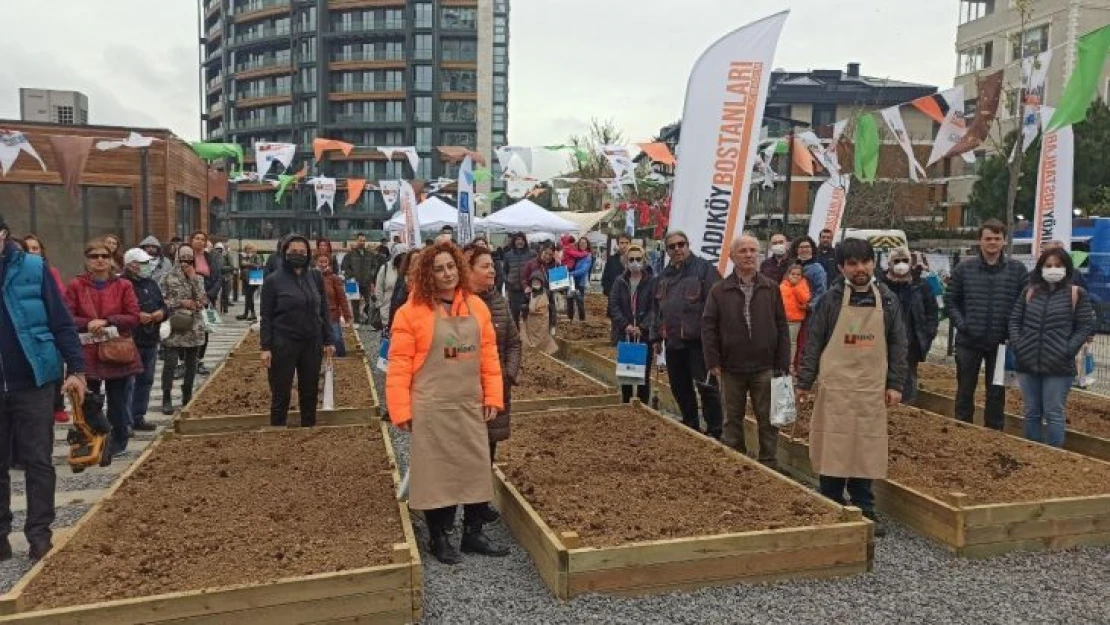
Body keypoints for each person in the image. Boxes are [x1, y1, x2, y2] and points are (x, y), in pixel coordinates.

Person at [386, 242, 507, 565]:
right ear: (428, 274)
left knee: (473, 468)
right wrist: (401, 409)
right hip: (431, 405)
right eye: (438, 269)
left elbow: (489, 359)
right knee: (437, 473)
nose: (447, 274)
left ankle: (473, 532)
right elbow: (398, 364)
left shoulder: (476, 308)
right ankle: (439, 536)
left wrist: (493, 396)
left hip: (469, 403)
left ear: (459, 268)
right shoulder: (410, 312)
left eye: (451, 267)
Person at [797, 239, 908, 538]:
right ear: (842, 267)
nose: (860, 269)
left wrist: (896, 384)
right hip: (836, 387)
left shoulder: (886, 299)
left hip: (871, 388)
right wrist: (805, 382)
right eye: (852, 263)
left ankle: (865, 507)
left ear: (874, 263)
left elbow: (899, 343)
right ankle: (831, 502)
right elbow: (814, 342)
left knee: (865, 445)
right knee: (833, 442)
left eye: (865, 262)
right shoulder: (831, 300)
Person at [0, 219, 87, 562]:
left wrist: (77, 370)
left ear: (4, 235)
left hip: (32, 380)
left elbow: (61, 321)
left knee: (37, 460)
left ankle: (39, 535)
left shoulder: (34, 268)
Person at [703, 235, 790, 465]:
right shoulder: (719, 290)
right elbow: (709, 326)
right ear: (732, 256)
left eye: (753, 250)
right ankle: (735, 459)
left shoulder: (770, 287)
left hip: (765, 365)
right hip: (731, 367)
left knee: (769, 419)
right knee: (732, 418)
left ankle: (769, 461)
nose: (749, 255)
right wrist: (713, 361)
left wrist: (782, 363)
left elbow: (781, 325)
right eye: (743, 251)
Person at [944, 220, 1028, 430]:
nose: (992, 243)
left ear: (1004, 241)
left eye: (997, 238)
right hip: (968, 342)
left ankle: (994, 432)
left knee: (996, 391)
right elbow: (950, 301)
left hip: (1000, 344)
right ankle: (962, 428)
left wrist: (1013, 330)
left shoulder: (1017, 270)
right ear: (980, 241)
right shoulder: (964, 269)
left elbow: (1024, 302)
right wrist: (962, 325)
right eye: (988, 238)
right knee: (965, 389)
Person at [64, 238, 144, 457]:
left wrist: (108, 320)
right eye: (94, 256)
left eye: (105, 256)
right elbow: (66, 317)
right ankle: (93, 439)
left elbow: (133, 316)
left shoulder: (123, 285)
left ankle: (118, 442)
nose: (99, 260)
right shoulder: (76, 286)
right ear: (86, 260)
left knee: (118, 402)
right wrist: (86, 323)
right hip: (87, 352)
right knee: (88, 401)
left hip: (117, 350)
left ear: (112, 260)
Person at [1009, 249, 1096, 447]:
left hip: (1059, 366)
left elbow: (1085, 326)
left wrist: (1067, 350)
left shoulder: (1076, 294)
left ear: (1067, 268)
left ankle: (1053, 455)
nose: (1053, 269)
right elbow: (1015, 319)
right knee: (1031, 411)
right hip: (1028, 361)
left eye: (1058, 265)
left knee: (1053, 412)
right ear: (1040, 268)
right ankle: (1031, 450)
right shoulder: (1029, 292)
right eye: (1048, 265)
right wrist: (1018, 344)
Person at [651, 230, 723, 439]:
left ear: (688, 245)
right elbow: (657, 309)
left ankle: (715, 430)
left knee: (706, 386)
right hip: (673, 341)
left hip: (698, 342)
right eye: (672, 246)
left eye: (681, 244)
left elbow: (717, 302)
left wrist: (715, 337)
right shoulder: (663, 276)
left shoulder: (704, 269)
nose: (677, 249)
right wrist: (656, 337)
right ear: (667, 251)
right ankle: (690, 423)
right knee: (679, 386)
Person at [260, 235, 335, 427]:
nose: (298, 255)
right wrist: (266, 346)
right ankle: (278, 430)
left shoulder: (315, 276)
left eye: (302, 252)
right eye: (293, 252)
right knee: (281, 392)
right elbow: (266, 316)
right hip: (284, 341)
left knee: (309, 390)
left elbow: (324, 309)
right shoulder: (273, 281)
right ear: (284, 253)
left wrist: (328, 340)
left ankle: (308, 430)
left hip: (312, 340)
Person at [466, 243, 521, 473]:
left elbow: (514, 342)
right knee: (465, 450)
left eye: (492, 266)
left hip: (496, 388)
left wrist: (508, 374)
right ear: (469, 270)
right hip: (466, 390)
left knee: (489, 446)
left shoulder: (498, 300)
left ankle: (479, 505)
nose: (492, 271)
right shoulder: (459, 303)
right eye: (485, 266)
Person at [20, 235, 70, 423]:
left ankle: (58, 404)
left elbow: (59, 297)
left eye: (35, 248)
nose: (32, 252)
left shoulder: (49, 271)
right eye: (28, 249)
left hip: (48, 327)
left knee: (55, 366)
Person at [878, 247, 939, 403]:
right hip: (881, 340)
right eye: (896, 261)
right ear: (889, 263)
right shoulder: (879, 285)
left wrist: (927, 335)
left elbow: (932, 312)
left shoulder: (921, 286)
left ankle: (906, 407)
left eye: (904, 261)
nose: (901, 264)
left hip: (911, 342)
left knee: (907, 379)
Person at [160, 246, 208, 415]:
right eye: (183, 257)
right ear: (176, 258)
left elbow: (203, 300)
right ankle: (166, 397)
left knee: (191, 363)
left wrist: (193, 278)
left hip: (194, 326)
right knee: (170, 363)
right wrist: (180, 302)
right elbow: (161, 300)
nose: (186, 261)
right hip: (175, 325)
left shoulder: (198, 278)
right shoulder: (167, 277)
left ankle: (187, 394)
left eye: (189, 257)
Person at [122, 248, 166, 432]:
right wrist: (136, 316)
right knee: (128, 383)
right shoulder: (122, 284)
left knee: (146, 380)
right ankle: (125, 420)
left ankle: (138, 416)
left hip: (151, 338)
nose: (147, 266)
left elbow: (164, 306)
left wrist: (161, 313)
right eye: (143, 263)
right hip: (131, 339)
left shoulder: (151, 284)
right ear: (131, 265)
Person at [609, 244, 655, 403]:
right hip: (625, 333)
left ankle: (643, 406)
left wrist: (642, 327)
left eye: (638, 259)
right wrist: (625, 325)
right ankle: (626, 403)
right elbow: (613, 306)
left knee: (644, 373)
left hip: (644, 335)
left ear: (644, 260)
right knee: (626, 372)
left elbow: (655, 307)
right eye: (631, 259)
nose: (635, 262)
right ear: (626, 261)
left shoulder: (651, 281)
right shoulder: (619, 281)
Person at [190, 231, 216, 376]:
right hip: (190, 299)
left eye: (202, 239)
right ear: (191, 240)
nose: (199, 241)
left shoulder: (210, 258)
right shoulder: (185, 256)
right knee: (186, 328)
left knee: (206, 330)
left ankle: (200, 360)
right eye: (197, 238)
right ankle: (184, 363)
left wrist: (209, 295)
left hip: (207, 298)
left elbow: (217, 278)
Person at [316, 251, 352, 358]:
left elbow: (342, 298)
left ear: (329, 263)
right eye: (320, 262)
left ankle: (341, 358)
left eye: (325, 262)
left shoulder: (334, 278)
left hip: (332, 314)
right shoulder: (312, 277)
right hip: (316, 315)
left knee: (336, 338)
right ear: (316, 263)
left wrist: (347, 315)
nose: (323, 264)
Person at [341, 233, 381, 324]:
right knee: (354, 303)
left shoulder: (370, 255)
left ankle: (368, 320)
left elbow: (375, 266)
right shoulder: (349, 255)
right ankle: (356, 322)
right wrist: (351, 277)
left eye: (363, 240)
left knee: (369, 302)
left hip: (366, 282)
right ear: (356, 241)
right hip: (352, 282)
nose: (362, 242)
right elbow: (344, 267)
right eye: (360, 240)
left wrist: (370, 276)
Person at [520, 242, 560, 329]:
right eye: (546, 253)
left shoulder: (556, 265)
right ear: (541, 251)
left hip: (549, 296)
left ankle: (550, 329)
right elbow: (523, 277)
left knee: (549, 316)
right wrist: (526, 287)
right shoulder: (531, 264)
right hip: (534, 296)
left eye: (551, 254)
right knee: (534, 317)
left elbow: (560, 281)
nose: (548, 256)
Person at [780, 262, 811, 365]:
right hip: (782, 319)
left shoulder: (803, 285)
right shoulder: (783, 285)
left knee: (792, 342)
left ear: (801, 276)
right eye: (793, 274)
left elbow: (805, 299)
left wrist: (796, 287)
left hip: (795, 320)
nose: (795, 276)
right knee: (781, 342)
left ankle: (790, 363)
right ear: (788, 274)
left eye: (798, 274)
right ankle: (781, 362)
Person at [502, 232, 534, 327]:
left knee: (528, 314)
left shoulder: (531, 254)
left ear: (525, 241)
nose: (519, 242)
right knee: (514, 314)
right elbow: (504, 271)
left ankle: (527, 336)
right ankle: (516, 336)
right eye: (517, 240)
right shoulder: (508, 255)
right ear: (514, 242)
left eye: (521, 239)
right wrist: (507, 280)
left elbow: (535, 270)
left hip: (527, 290)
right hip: (513, 290)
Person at [522, 272, 558, 354]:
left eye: (538, 282)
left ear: (542, 282)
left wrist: (553, 325)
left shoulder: (548, 293)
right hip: (531, 324)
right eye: (534, 282)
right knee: (530, 344)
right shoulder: (528, 293)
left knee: (544, 344)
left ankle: (543, 356)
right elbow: (522, 306)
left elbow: (552, 309)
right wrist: (527, 307)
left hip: (543, 323)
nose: (535, 284)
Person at [376, 246, 405, 330]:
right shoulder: (385, 268)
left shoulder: (408, 269)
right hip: (387, 311)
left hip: (403, 312)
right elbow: (378, 289)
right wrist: (380, 305)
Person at [567, 237, 593, 321]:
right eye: (581, 242)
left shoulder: (588, 256)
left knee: (580, 302)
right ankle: (570, 319)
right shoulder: (575, 254)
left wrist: (570, 273)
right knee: (569, 301)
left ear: (587, 245)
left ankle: (582, 321)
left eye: (584, 243)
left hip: (579, 282)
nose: (582, 244)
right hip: (571, 281)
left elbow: (583, 270)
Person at [237, 243, 263, 321]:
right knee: (247, 297)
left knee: (249, 296)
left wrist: (248, 264)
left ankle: (251, 314)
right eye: (247, 248)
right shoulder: (244, 257)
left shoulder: (256, 256)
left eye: (250, 248)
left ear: (253, 249)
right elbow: (241, 266)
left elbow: (259, 266)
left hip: (254, 278)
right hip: (245, 279)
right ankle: (247, 313)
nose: (248, 250)